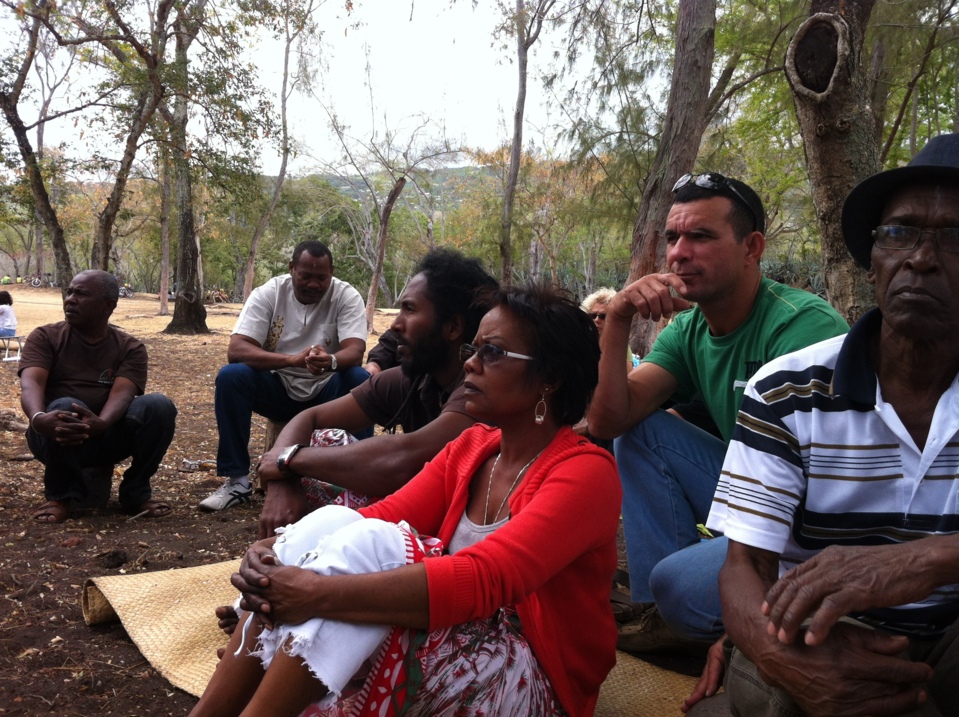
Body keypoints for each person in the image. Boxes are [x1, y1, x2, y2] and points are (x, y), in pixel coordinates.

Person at [189, 285, 622, 717]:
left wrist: (316, 593)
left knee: (375, 551)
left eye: (492, 352)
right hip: (462, 639)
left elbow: (488, 578)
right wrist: (281, 547)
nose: (470, 363)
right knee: (334, 526)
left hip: (534, 680)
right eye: (473, 349)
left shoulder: (586, 473)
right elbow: (375, 517)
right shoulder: (473, 447)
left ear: (550, 378)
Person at [688, 133, 959, 717]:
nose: (921, 258)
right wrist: (779, 657)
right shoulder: (787, 391)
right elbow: (744, 566)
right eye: (899, 233)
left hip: (950, 637)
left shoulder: (790, 318)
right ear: (873, 259)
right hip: (822, 631)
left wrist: (925, 560)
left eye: (955, 237)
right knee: (784, 676)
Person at [587, 172, 849, 654]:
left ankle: (694, 613)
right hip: (749, 493)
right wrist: (618, 319)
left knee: (680, 586)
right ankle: (658, 616)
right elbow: (608, 421)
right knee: (640, 431)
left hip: (811, 522)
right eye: (672, 238)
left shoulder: (801, 327)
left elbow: (830, 488)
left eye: (701, 236)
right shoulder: (689, 331)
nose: (678, 254)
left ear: (752, 248)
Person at [255, 248, 498, 539]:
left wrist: (287, 461)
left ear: (453, 327)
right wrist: (283, 483)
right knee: (326, 439)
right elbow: (309, 418)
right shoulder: (415, 379)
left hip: (466, 539)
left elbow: (401, 462)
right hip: (418, 517)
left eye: (410, 310)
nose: (395, 324)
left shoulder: (480, 390)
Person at [199, 240, 370, 512]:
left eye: (321, 278)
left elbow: (356, 351)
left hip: (327, 392)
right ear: (292, 268)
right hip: (277, 387)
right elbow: (237, 349)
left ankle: (360, 482)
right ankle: (237, 481)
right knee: (232, 376)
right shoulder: (270, 293)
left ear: (332, 273)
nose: (313, 284)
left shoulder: (345, 295)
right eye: (306, 276)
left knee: (359, 379)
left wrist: (330, 361)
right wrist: (291, 360)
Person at [19, 270, 177, 524]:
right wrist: (38, 418)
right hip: (51, 434)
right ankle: (60, 497)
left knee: (159, 406)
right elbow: (31, 383)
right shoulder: (45, 336)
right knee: (65, 407)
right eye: (69, 292)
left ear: (108, 305)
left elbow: (123, 392)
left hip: (106, 434)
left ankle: (136, 493)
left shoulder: (130, 347)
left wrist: (102, 423)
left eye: (81, 294)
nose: (70, 299)